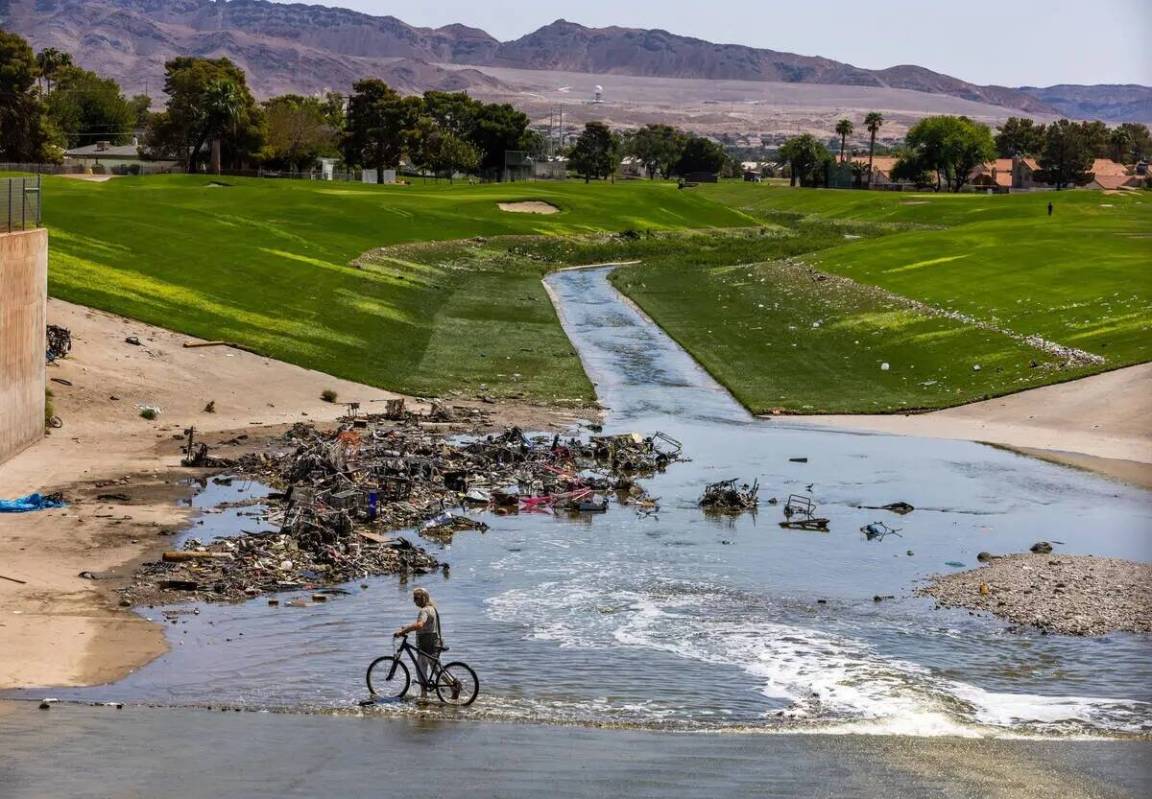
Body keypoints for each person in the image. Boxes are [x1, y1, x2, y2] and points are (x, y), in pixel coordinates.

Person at [394, 587, 442, 699]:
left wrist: (403, 631)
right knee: (437, 670)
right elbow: (426, 626)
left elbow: (420, 625)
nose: (414, 601)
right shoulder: (432, 609)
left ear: (423, 598)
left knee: (421, 669)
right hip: (435, 642)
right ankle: (454, 686)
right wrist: (407, 628)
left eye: (416, 598)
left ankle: (423, 695)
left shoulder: (424, 610)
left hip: (425, 644)